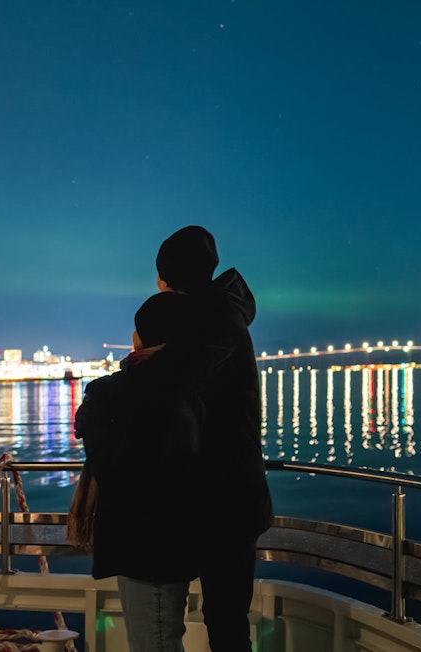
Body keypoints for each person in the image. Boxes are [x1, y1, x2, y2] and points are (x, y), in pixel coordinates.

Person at [153, 225, 274, 652]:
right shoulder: (223, 319)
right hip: (230, 497)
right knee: (225, 617)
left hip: (215, 499)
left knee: (205, 619)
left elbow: (166, 395)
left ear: (169, 279)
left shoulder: (206, 326)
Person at [74, 289, 207, 652]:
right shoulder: (188, 383)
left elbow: (116, 462)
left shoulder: (142, 390)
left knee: (155, 642)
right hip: (163, 540)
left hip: (150, 543)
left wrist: (97, 406)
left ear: (143, 337)